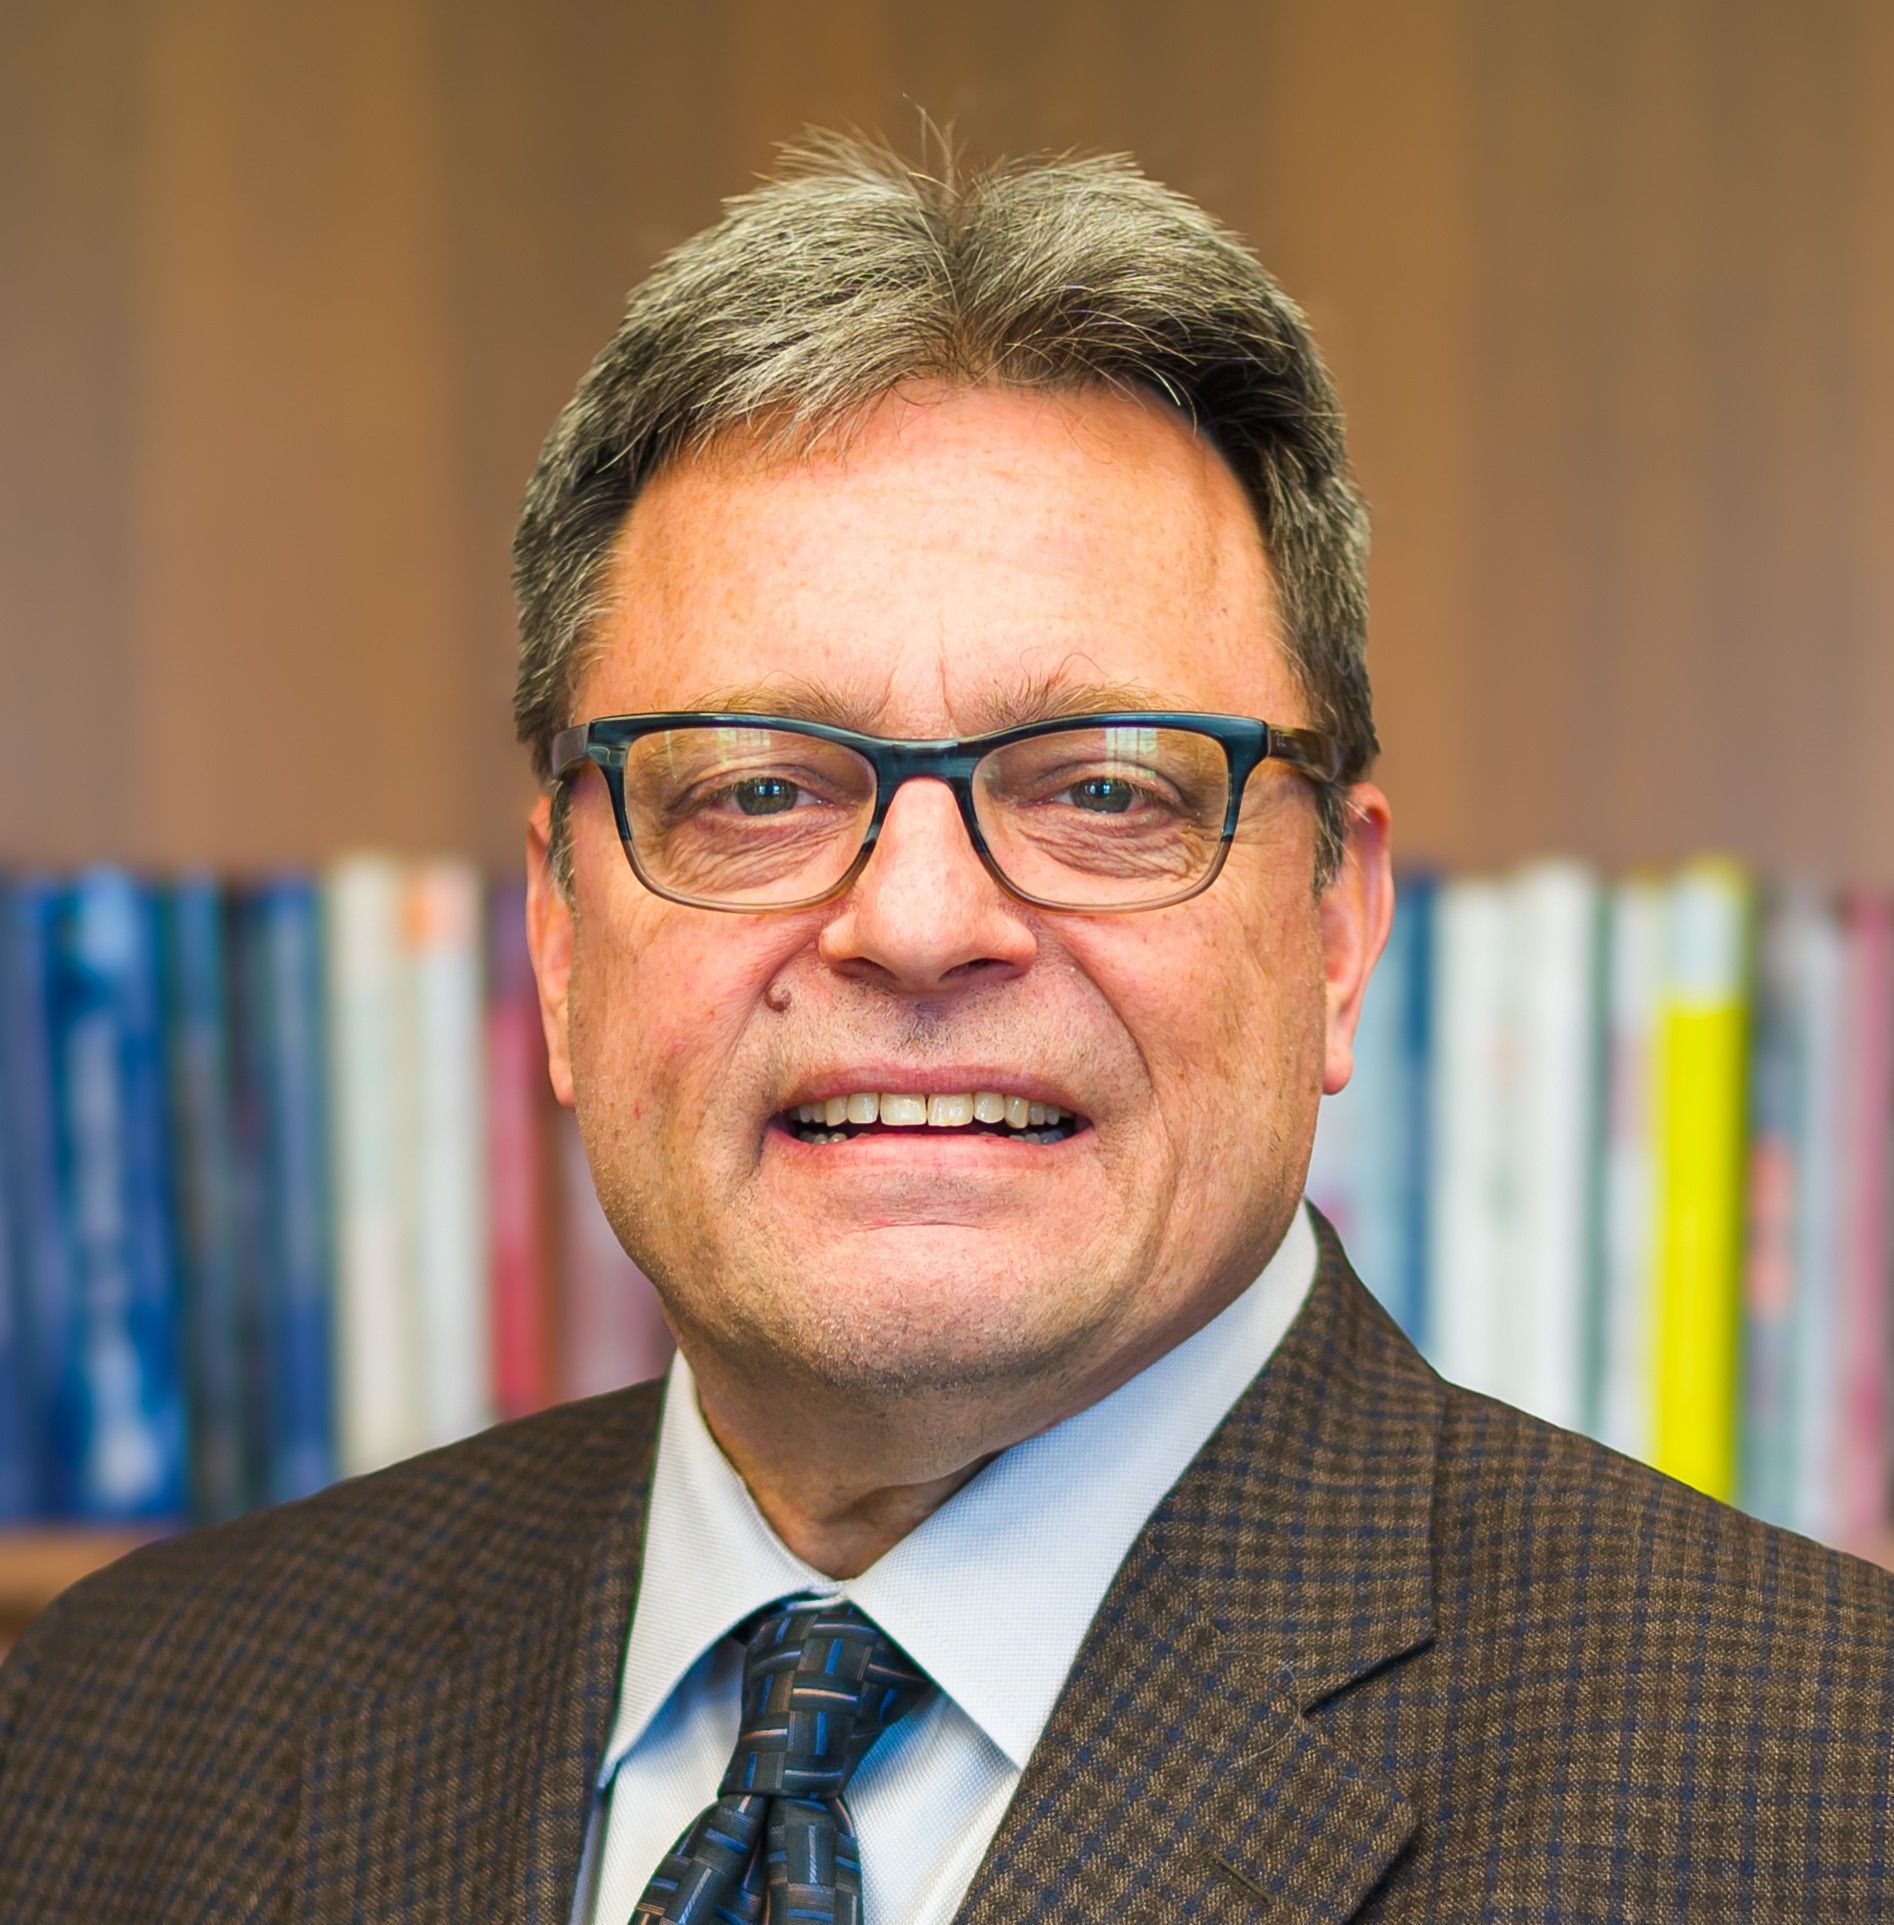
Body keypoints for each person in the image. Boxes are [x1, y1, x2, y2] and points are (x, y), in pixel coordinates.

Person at [2, 135, 1890, 1925]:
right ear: (560, 937)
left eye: (1106, 787)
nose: (916, 921)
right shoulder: (118, 1731)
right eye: (752, 790)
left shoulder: (1824, 1794)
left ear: (1334, 924)